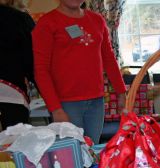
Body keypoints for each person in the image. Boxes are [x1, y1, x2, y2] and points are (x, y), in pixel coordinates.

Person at [32, 0, 126, 144]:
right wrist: (55, 109)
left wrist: (121, 91)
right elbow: (41, 70)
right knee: (73, 155)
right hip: (66, 104)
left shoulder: (97, 20)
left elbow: (109, 59)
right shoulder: (47, 23)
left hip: (96, 101)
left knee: (91, 151)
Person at [0, 0, 35, 130]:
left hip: (11, 90)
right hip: (12, 91)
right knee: (16, 143)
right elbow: (32, 58)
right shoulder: (20, 19)